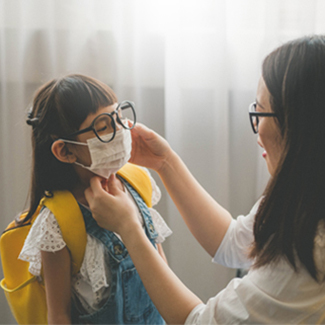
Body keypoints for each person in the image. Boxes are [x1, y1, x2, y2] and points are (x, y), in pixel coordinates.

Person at [84, 34, 325, 324]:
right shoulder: (306, 192)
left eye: (261, 112)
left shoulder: (311, 253)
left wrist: (129, 228)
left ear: (301, 125)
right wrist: (165, 163)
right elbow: (236, 243)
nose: (257, 129)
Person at [18, 74, 171, 324]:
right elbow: (59, 315)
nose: (120, 131)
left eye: (118, 117)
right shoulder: (58, 223)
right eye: (103, 127)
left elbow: (161, 272)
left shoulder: (138, 183)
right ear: (65, 150)